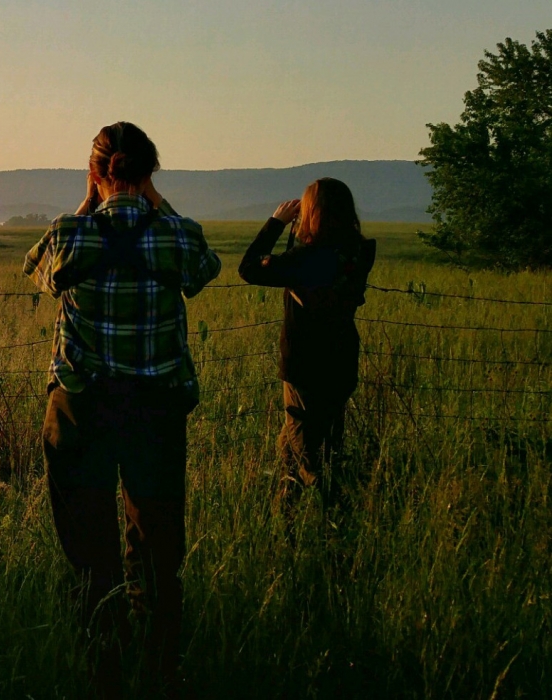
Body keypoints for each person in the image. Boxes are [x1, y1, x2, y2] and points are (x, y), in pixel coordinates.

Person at [24, 122, 221, 697]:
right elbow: (205, 267)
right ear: (149, 172)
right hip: (154, 414)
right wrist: (157, 203)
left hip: (81, 410)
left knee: (89, 553)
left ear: (98, 172)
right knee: (157, 548)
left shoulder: (69, 234)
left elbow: (34, 269)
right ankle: (159, 669)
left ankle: (101, 669)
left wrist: (88, 203)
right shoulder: (178, 235)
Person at [237, 178, 377, 505]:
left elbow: (249, 268)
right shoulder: (357, 254)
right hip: (341, 361)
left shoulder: (307, 260)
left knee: (305, 453)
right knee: (321, 441)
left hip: (304, 366)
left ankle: (333, 509)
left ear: (312, 212)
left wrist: (277, 223)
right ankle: (291, 513)